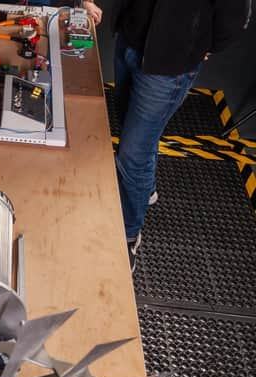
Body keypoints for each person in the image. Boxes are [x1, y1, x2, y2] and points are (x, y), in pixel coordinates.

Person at [111, 0, 251, 270]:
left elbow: (236, 15)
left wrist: (200, 45)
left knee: (132, 156)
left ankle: (128, 234)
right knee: (136, 134)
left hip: (168, 67)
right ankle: (146, 190)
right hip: (129, 40)